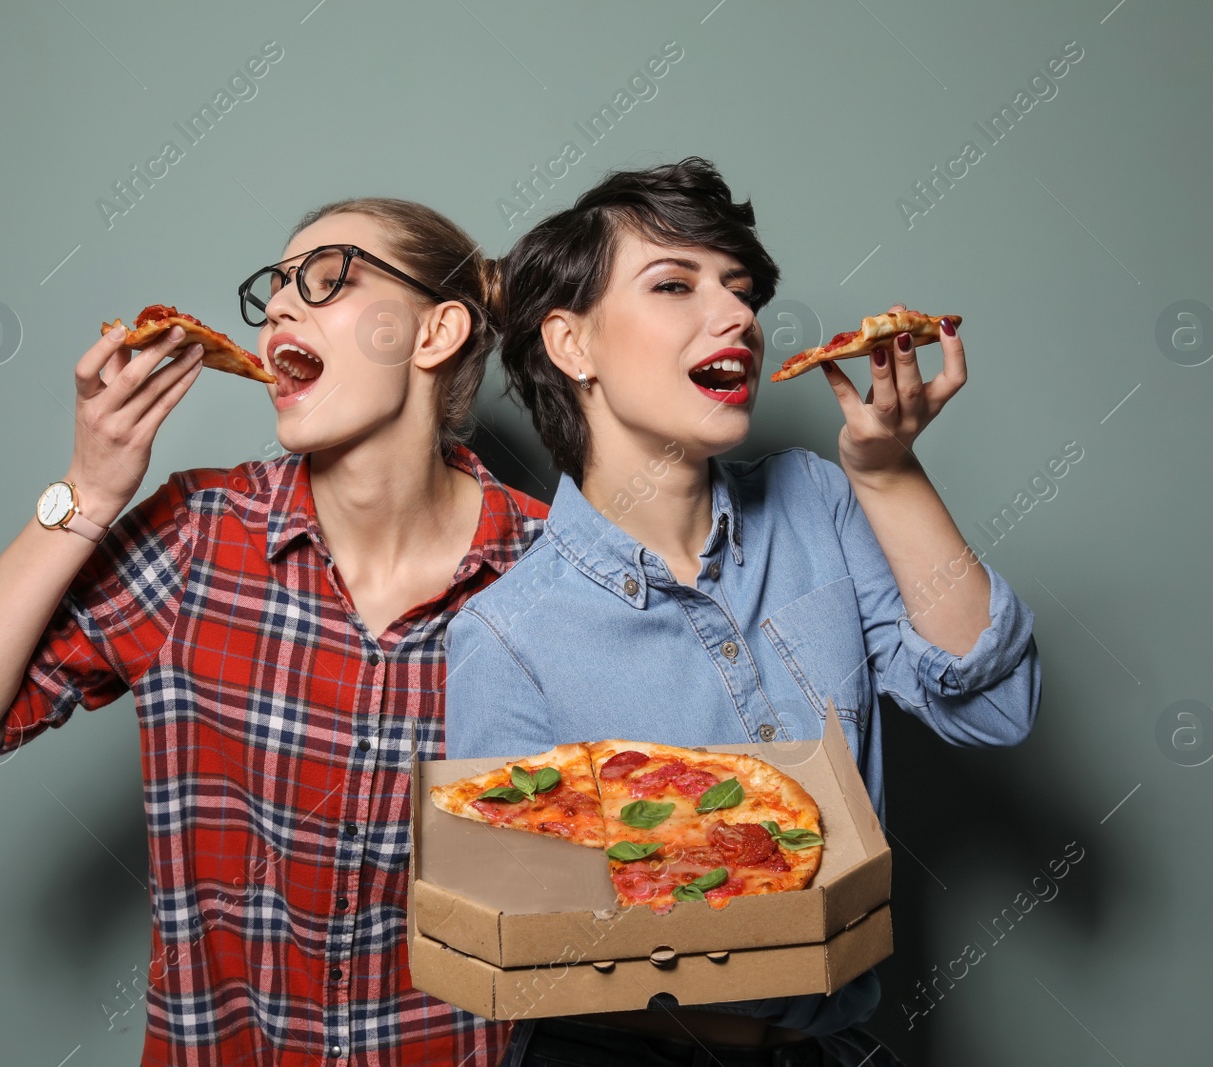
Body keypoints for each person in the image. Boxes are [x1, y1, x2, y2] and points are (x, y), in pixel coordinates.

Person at [0, 197, 549, 1066]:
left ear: (436, 332)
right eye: (272, 289)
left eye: (326, 279)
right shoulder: (198, 534)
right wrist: (88, 490)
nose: (279, 307)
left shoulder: (553, 572)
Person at [443, 158, 1041, 1067]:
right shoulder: (504, 638)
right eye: (675, 284)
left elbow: (994, 709)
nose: (737, 318)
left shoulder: (821, 503)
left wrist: (889, 475)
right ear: (572, 346)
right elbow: (527, 950)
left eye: (741, 288)